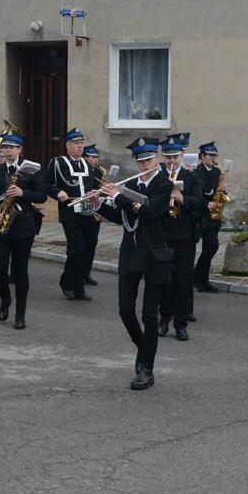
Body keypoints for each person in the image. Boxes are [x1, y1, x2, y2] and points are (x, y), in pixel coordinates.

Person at [93, 137, 173, 390]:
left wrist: (118, 196)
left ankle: (146, 368)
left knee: (150, 314)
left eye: (148, 159)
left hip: (155, 255)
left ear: (156, 158)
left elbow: (150, 212)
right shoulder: (131, 184)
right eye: (141, 161)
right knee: (125, 310)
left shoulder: (164, 184)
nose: (145, 164)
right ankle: (144, 348)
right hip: (131, 253)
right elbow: (122, 217)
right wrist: (99, 204)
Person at [0, 131, 46, 330]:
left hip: (22, 227)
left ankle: (20, 312)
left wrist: (23, 192)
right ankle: (5, 298)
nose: (7, 151)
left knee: (20, 272)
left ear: (20, 149)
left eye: (11, 147)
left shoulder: (30, 169)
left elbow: (42, 196)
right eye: (5, 147)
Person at [158, 134, 203, 341]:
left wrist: (182, 198)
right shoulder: (158, 176)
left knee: (183, 282)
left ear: (181, 156)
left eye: (175, 157)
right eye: (168, 157)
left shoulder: (192, 176)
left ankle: (181, 324)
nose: (171, 161)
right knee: (164, 280)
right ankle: (164, 318)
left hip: (184, 236)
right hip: (163, 234)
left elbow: (199, 203)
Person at [45, 128, 99, 301]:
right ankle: (67, 283)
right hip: (69, 212)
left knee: (89, 247)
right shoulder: (58, 163)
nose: (80, 146)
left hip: (87, 211)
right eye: (76, 143)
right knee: (77, 249)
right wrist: (57, 192)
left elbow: (93, 186)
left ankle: (79, 287)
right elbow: (46, 183)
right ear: (68, 146)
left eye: (82, 143)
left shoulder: (87, 165)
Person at [193, 142, 223, 294]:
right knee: (212, 245)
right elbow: (196, 194)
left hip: (214, 215)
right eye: (211, 155)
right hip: (202, 215)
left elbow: (216, 190)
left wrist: (222, 192)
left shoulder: (217, 171)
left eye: (215, 155)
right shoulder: (196, 172)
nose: (213, 158)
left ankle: (203, 281)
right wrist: (206, 203)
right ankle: (197, 276)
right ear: (202, 156)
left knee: (209, 248)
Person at [82, 143, 104, 287]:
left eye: (97, 157)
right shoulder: (82, 170)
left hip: (95, 209)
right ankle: (79, 273)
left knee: (92, 243)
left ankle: (87, 273)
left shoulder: (98, 172)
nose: (96, 160)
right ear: (85, 157)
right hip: (83, 208)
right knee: (81, 245)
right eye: (93, 157)